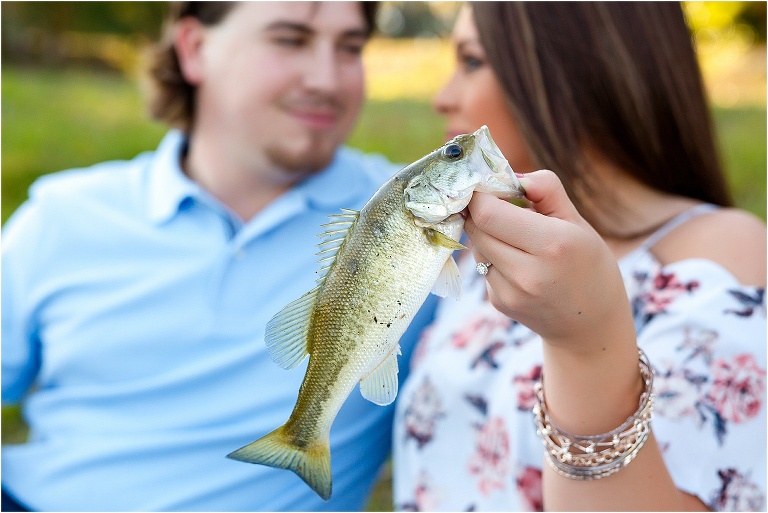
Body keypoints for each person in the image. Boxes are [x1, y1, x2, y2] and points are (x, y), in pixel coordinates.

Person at [2, 2, 433, 511]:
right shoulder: (62, 217)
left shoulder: (420, 219)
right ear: (195, 48)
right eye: (290, 39)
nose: (327, 80)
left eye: (351, 47)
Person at [393, 2, 766, 511]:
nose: (443, 97)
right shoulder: (484, 248)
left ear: (574, 71)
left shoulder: (722, 254)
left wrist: (587, 347)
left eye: (472, 60)